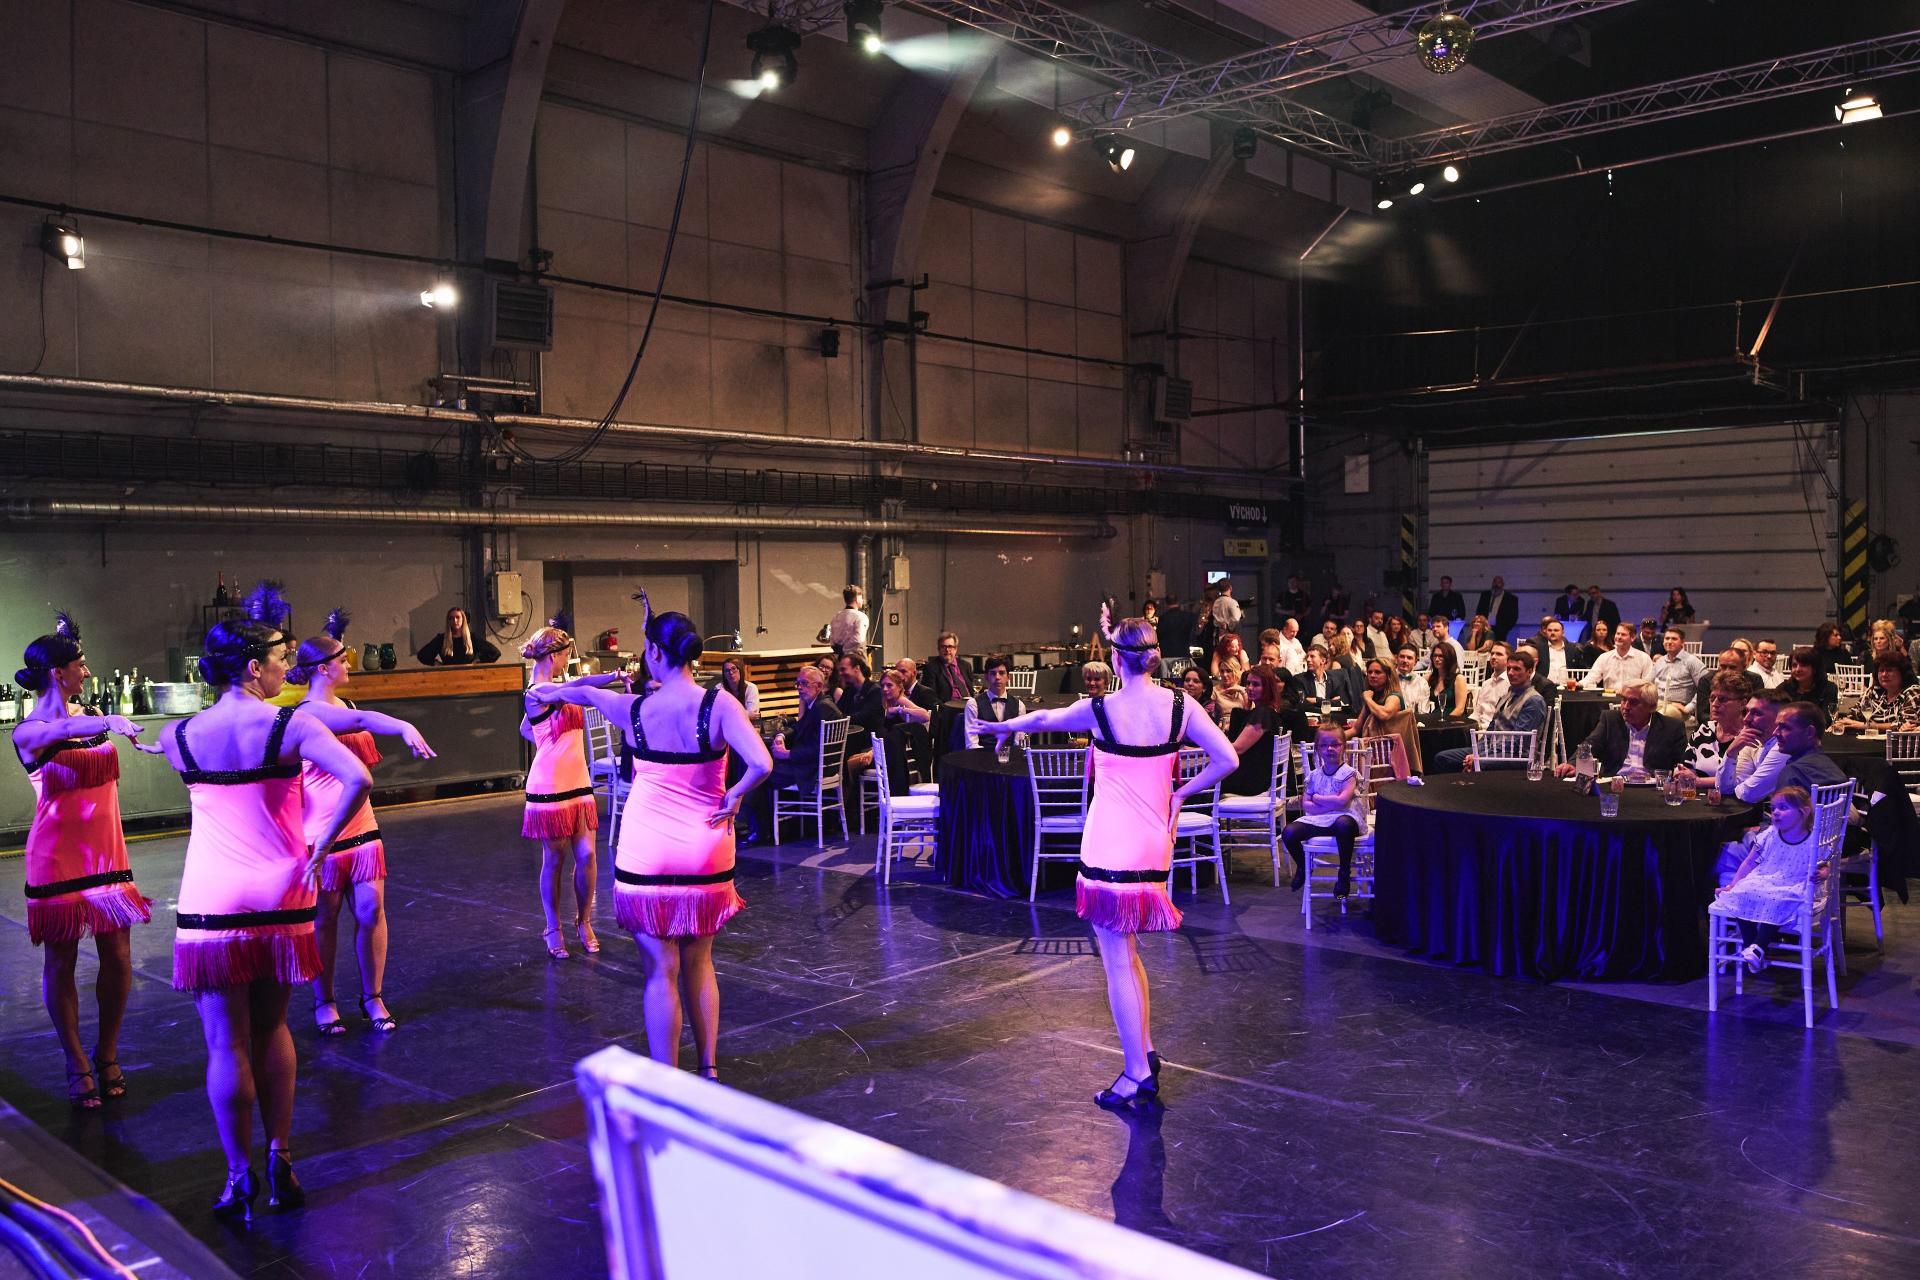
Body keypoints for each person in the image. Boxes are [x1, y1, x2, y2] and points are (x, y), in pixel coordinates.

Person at [153, 611, 372, 1220]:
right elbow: (357, 776)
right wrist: (322, 846)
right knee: (273, 1028)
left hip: (212, 899)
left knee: (226, 1044)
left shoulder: (178, 735)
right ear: (254, 667)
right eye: (281, 659)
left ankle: (237, 1175)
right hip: (281, 892)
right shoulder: (292, 724)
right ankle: (280, 1156)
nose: (287, 669)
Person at [975, 606, 1236, 1111]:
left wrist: (1001, 726)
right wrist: (1182, 794)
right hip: (1154, 838)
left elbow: (1043, 718)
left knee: (1117, 957)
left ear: (1116, 660)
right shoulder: (1180, 705)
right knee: (1129, 952)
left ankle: (1136, 1073)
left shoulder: (1099, 709)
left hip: (1112, 838)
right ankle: (1145, 1051)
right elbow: (1228, 758)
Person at [530, 594, 770, 1078]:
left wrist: (554, 687)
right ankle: (708, 1069)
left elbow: (571, 693)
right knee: (700, 962)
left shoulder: (633, 708)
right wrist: (736, 794)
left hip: (647, 849)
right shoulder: (719, 704)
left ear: (656, 654)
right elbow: (762, 763)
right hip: (705, 846)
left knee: (661, 971)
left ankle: (668, 1082)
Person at [13, 613, 153, 1109]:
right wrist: (108, 722)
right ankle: (75, 1061)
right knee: (62, 959)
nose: (87, 672)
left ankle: (107, 1052)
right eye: (81, 664)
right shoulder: (29, 730)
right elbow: (65, 730)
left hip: (107, 853)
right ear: (58, 672)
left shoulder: (90, 712)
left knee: (119, 955)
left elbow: (88, 727)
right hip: (57, 857)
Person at [287, 612, 436, 1037]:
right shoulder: (308, 714)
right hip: (322, 833)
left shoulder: (347, 705)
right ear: (323, 669)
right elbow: (363, 722)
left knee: (371, 911)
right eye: (343, 658)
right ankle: (325, 1000)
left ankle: (373, 996)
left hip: (363, 828)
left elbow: (359, 718)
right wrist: (403, 725)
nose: (349, 663)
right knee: (325, 920)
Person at [519, 618, 626, 960]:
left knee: (588, 856)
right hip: (550, 786)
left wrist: (614, 676)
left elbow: (526, 728)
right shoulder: (536, 692)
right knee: (555, 858)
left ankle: (584, 921)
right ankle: (553, 926)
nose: (568, 660)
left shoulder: (559, 687)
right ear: (554, 656)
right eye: (566, 654)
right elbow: (576, 689)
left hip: (579, 783)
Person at [1715, 787, 1824, 973]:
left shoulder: (1812, 839)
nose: (1776, 813)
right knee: (1743, 892)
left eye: (1783, 808)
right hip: (1765, 877)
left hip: (1794, 881)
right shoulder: (1770, 834)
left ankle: (1758, 947)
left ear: (1804, 812)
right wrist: (1733, 885)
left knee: (1778, 898)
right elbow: (1750, 862)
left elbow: (1824, 864)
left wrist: (1823, 873)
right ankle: (1752, 946)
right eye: (1773, 808)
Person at [1281, 729, 1366, 896]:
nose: (1330, 749)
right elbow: (1306, 804)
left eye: (1335, 744)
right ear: (1318, 749)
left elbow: (1343, 801)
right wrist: (1331, 802)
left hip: (1346, 818)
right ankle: (1303, 865)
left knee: (1343, 825)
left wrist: (1318, 798)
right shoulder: (1314, 776)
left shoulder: (1348, 774)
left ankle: (1344, 874)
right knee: (1289, 832)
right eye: (1324, 745)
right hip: (1319, 819)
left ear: (1343, 747)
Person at [1555, 679, 1689, 780]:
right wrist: (1573, 764)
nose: (1626, 706)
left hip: (1652, 789)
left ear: (1651, 707)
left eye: (1633, 702)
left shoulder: (1672, 728)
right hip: (1615, 783)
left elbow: (1681, 764)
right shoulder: (1610, 719)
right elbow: (1590, 744)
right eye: (1624, 700)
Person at [1436, 648, 1546, 772]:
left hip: (1518, 757)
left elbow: (1519, 742)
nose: (1511, 673)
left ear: (1529, 672)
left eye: (1516, 669)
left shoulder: (1533, 701)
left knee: (1476, 763)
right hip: (1494, 750)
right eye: (1509, 668)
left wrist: (1481, 756)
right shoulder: (1507, 695)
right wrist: (1478, 752)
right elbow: (1490, 730)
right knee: (1443, 757)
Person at [1222, 665, 1307, 796]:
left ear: (1267, 688)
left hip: (1254, 782)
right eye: (1248, 683)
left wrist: (1208, 746)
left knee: (1199, 779)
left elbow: (1238, 748)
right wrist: (1247, 703)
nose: (1250, 688)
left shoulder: (1263, 713)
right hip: (1260, 777)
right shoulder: (1267, 711)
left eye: (1256, 684)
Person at [1684, 670, 1756, 778]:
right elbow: (1686, 768)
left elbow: (1740, 779)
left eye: (1723, 699)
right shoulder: (1703, 730)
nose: (1715, 704)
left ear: (1742, 704)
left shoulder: (1750, 736)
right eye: (1712, 698)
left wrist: (1697, 781)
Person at [1832, 655, 1920, 730]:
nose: (1884, 674)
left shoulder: (1912, 692)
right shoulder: (1873, 692)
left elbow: (1907, 725)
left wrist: (1866, 726)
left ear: (1902, 673)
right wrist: (1842, 723)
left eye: (1889, 670)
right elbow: (1854, 714)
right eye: (1881, 671)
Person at [414, 606, 501, 666]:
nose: (455, 620)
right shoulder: (441, 639)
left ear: (463, 619)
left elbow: (495, 653)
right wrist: (436, 663)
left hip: (469, 679)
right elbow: (422, 655)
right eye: (451, 618)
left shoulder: (472, 638)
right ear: (448, 621)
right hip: (447, 679)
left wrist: (478, 662)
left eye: (457, 617)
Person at [1649, 628, 1706, 718]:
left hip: (1677, 706)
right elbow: (1648, 683)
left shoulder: (1692, 661)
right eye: (1667, 638)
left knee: (1662, 716)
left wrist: (1689, 707)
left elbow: (1705, 687)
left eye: (1674, 639)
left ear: (1682, 643)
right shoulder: (1660, 661)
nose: (1669, 641)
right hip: (1658, 703)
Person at [970, 656, 1027, 745]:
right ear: (986, 677)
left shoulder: (1019, 706)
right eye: (993, 673)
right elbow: (972, 744)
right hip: (982, 753)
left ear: (1008, 676)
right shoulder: (973, 704)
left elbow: (1019, 743)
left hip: (1010, 753)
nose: (997, 677)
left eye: (1001, 673)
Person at [1344, 658, 1403, 743]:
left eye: (1377, 672)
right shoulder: (1372, 697)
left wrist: (1368, 699)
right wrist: (1335, 737)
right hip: (1374, 744)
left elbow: (1384, 714)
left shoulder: (1394, 697)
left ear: (1388, 676)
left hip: (1390, 746)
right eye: (1370, 672)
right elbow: (1356, 729)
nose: (1372, 675)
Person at [1694, 649, 1750, 731]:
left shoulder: (1754, 679)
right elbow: (1702, 715)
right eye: (1723, 667)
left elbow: (1756, 711)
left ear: (1744, 667)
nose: (1727, 671)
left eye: (1732, 667)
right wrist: (1721, 724)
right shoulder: (1706, 680)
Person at [1781, 646, 1840, 722]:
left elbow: (1827, 720)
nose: (1797, 669)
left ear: (1815, 668)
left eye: (1803, 665)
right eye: (1794, 665)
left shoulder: (1828, 689)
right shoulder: (1784, 688)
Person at [1296, 644, 1353, 717]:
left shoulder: (1334, 680)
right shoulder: (1300, 680)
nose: (1308, 659)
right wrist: (1329, 703)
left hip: (1332, 718)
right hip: (1310, 719)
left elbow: (1340, 703)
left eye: (1312, 656)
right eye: (1307, 657)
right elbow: (1303, 704)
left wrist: (1316, 700)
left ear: (1323, 661)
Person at [1470, 641, 1512, 730]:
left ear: (1509, 659)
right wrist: (1466, 724)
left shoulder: (1511, 684)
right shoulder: (1486, 684)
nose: (1493, 657)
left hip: (1496, 731)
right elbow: (1477, 713)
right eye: (1492, 653)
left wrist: (1480, 727)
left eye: (1499, 654)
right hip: (1479, 729)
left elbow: (1505, 720)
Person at [927, 632, 974, 703]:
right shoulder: (931, 668)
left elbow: (972, 690)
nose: (947, 650)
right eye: (943, 647)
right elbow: (930, 696)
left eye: (950, 646)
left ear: (955, 649)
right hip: (948, 706)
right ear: (938, 649)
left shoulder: (966, 665)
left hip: (969, 705)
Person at [1426, 642, 1468, 719]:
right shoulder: (1430, 677)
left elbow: (1460, 709)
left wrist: (1445, 721)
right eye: (1435, 656)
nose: (1437, 659)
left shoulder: (1459, 679)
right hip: (1434, 718)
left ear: (1449, 658)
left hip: (1454, 720)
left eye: (1441, 656)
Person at [824, 585, 869, 656]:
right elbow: (858, 639)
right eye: (861, 598)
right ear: (857, 599)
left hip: (838, 656)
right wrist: (845, 650)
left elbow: (832, 639)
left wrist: (840, 651)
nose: (862, 600)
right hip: (855, 656)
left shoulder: (836, 616)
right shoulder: (861, 617)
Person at [1529, 619, 1574, 686]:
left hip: (1567, 686)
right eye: (1549, 630)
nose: (1552, 633)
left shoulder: (1572, 648)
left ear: (1563, 632)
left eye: (1556, 630)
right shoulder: (1539, 648)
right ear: (1545, 632)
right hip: (1544, 686)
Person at [1475, 576, 1520, 642]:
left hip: (1500, 632)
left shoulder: (1511, 599)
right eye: (1494, 582)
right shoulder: (1485, 595)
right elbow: (1479, 611)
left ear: (1503, 584)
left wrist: (1504, 629)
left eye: (1499, 582)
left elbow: (1514, 617)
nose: (1496, 585)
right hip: (1484, 630)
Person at [1392, 645, 1431, 716]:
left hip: (1414, 720)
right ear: (1396, 659)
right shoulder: (1388, 678)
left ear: (1415, 662)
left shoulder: (1422, 683)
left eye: (1409, 658)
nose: (1405, 660)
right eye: (1402, 657)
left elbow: (1423, 711)